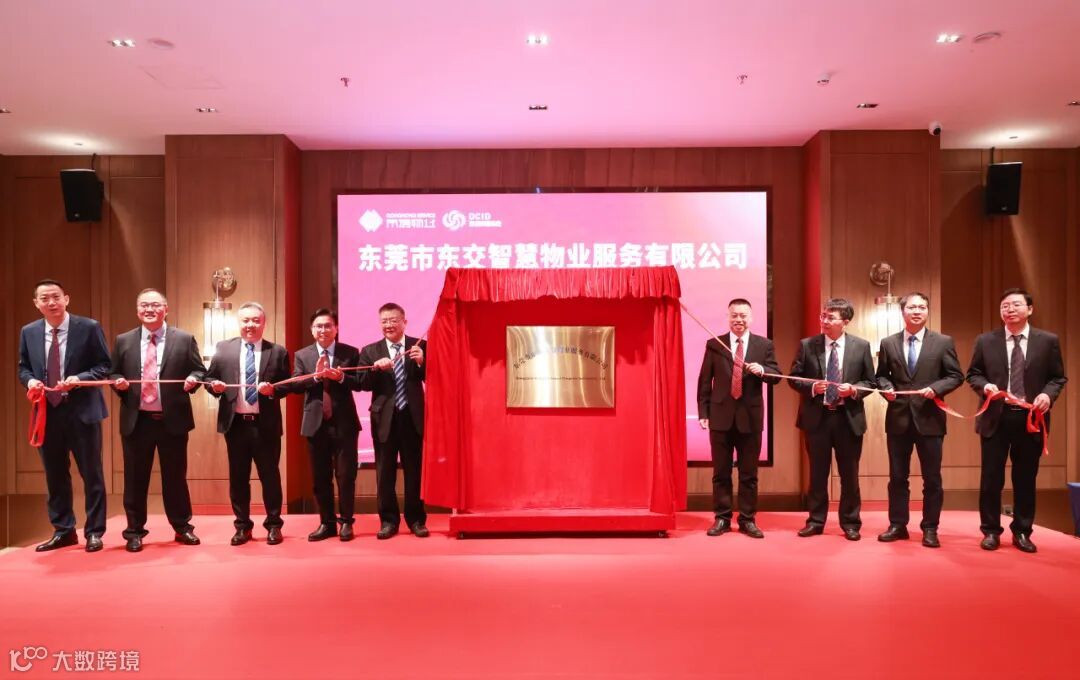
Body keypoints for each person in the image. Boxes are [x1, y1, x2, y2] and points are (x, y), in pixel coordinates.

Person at [966, 288, 1067, 553]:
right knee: (991, 478)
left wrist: (1047, 395)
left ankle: (1022, 531)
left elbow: (1057, 377)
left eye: (1016, 305)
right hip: (995, 418)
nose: (1009, 309)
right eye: (1005, 306)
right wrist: (985, 386)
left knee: (1025, 478)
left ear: (1029, 309)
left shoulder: (1048, 341)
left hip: (1031, 419)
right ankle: (990, 531)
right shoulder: (986, 341)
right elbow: (973, 374)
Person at [18, 279, 111, 552]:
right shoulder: (29, 332)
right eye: (44, 298)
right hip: (47, 413)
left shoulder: (89, 327)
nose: (51, 303)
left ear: (66, 299)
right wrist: (31, 381)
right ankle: (64, 530)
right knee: (55, 475)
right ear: (36, 304)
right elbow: (23, 368)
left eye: (56, 297)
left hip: (83, 411)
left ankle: (94, 532)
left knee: (92, 474)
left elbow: (104, 365)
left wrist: (79, 379)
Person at [110, 288, 204, 552]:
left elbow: (199, 370)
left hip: (172, 421)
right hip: (136, 421)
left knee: (175, 478)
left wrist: (194, 379)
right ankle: (134, 531)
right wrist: (118, 383)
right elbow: (113, 372)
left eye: (154, 305)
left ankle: (182, 527)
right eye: (144, 305)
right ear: (137, 309)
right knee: (134, 479)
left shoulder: (184, 339)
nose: (149, 309)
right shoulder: (123, 340)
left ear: (166, 309)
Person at [876, 292, 963, 548]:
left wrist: (936, 388)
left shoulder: (943, 342)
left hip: (930, 419)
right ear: (902, 311)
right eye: (912, 307)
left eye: (922, 307)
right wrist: (886, 388)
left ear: (927, 311)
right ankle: (897, 525)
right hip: (898, 419)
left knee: (932, 479)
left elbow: (955, 376)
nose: (917, 311)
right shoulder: (888, 342)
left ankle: (930, 528)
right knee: (897, 477)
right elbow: (880, 376)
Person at [789, 298, 876, 540]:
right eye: (823, 316)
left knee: (850, 476)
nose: (825, 321)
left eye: (831, 317)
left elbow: (870, 382)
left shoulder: (861, 346)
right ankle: (816, 521)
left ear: (845, 322)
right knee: (817, 474)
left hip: (848, 420)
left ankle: (850, 523)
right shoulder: (808, 345)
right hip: (817, 419)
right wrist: (812, 387)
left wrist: (854, 390)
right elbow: (793, 377)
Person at [204, 302, 291, 546]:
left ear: (264, 323)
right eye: (246, 320)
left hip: (266, 425)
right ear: (239, 322)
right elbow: (209, 379)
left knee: (270, 477)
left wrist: (273, 391)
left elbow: (287, 384)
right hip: (236, 425)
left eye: (256, 320)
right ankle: (242, 526)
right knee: (238, 477)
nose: (250, 325)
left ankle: (274, 525)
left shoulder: (278, 352)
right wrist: (214, 387)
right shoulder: (224, 348)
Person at [696, 298, 781, 538]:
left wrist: (763, 371)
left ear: (751, 318)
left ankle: (747, 519)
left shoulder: (764, 345)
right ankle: (722, 518)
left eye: (743, 315)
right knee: (721, 473)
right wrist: (703, 412)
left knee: (749, 474)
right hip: (720, 418)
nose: (739, 320)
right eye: (734, 315)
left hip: (750, 418)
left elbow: (776, 376)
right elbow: (705, 381)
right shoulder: (715, 344)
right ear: (728, 317)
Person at [280, 308, 364, 541]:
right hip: (315, 424)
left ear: (336, 329)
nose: (323, 330)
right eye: (319, 326)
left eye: (328, 325)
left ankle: (346, 522)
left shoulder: (350, 352)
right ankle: (327, 523)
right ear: (312, 330)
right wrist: (316, 377)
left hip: (345, 424)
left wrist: (341, 377)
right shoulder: (302, 355)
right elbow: (295, 385)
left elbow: (360, 383)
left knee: (346, 475)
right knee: (320, 477)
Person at [359, 303, 428, 539]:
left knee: (414, 472)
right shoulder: (370, 350)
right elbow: (361, 383)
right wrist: (376, 370)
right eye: (384, 321)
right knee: (385, 472)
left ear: (404, 322)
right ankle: (388, 521)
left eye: (393, 320)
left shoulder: (420, 346)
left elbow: (436, 375)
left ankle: (416, 520)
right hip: (384, 419)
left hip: (413, 417)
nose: (389, 325)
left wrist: (422, 362)